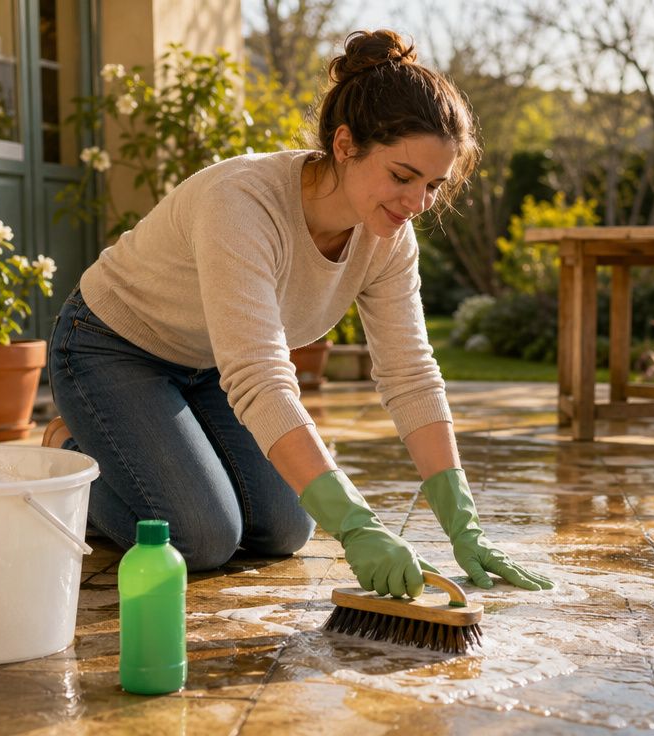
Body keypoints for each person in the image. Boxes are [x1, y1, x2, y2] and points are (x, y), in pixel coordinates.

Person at [45, 29, 552, 600]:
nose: (418, 204)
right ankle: (70, 455)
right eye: (402, 176)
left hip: (209, 363)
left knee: (284, 529)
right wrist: (359, 523)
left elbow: (409, 371)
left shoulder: (389, 238)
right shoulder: (242, 204)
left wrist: (463, 520)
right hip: (111, 346)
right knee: (202, 538)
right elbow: (260, 376)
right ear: (344, 144)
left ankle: (148, 442)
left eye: (433, 185)